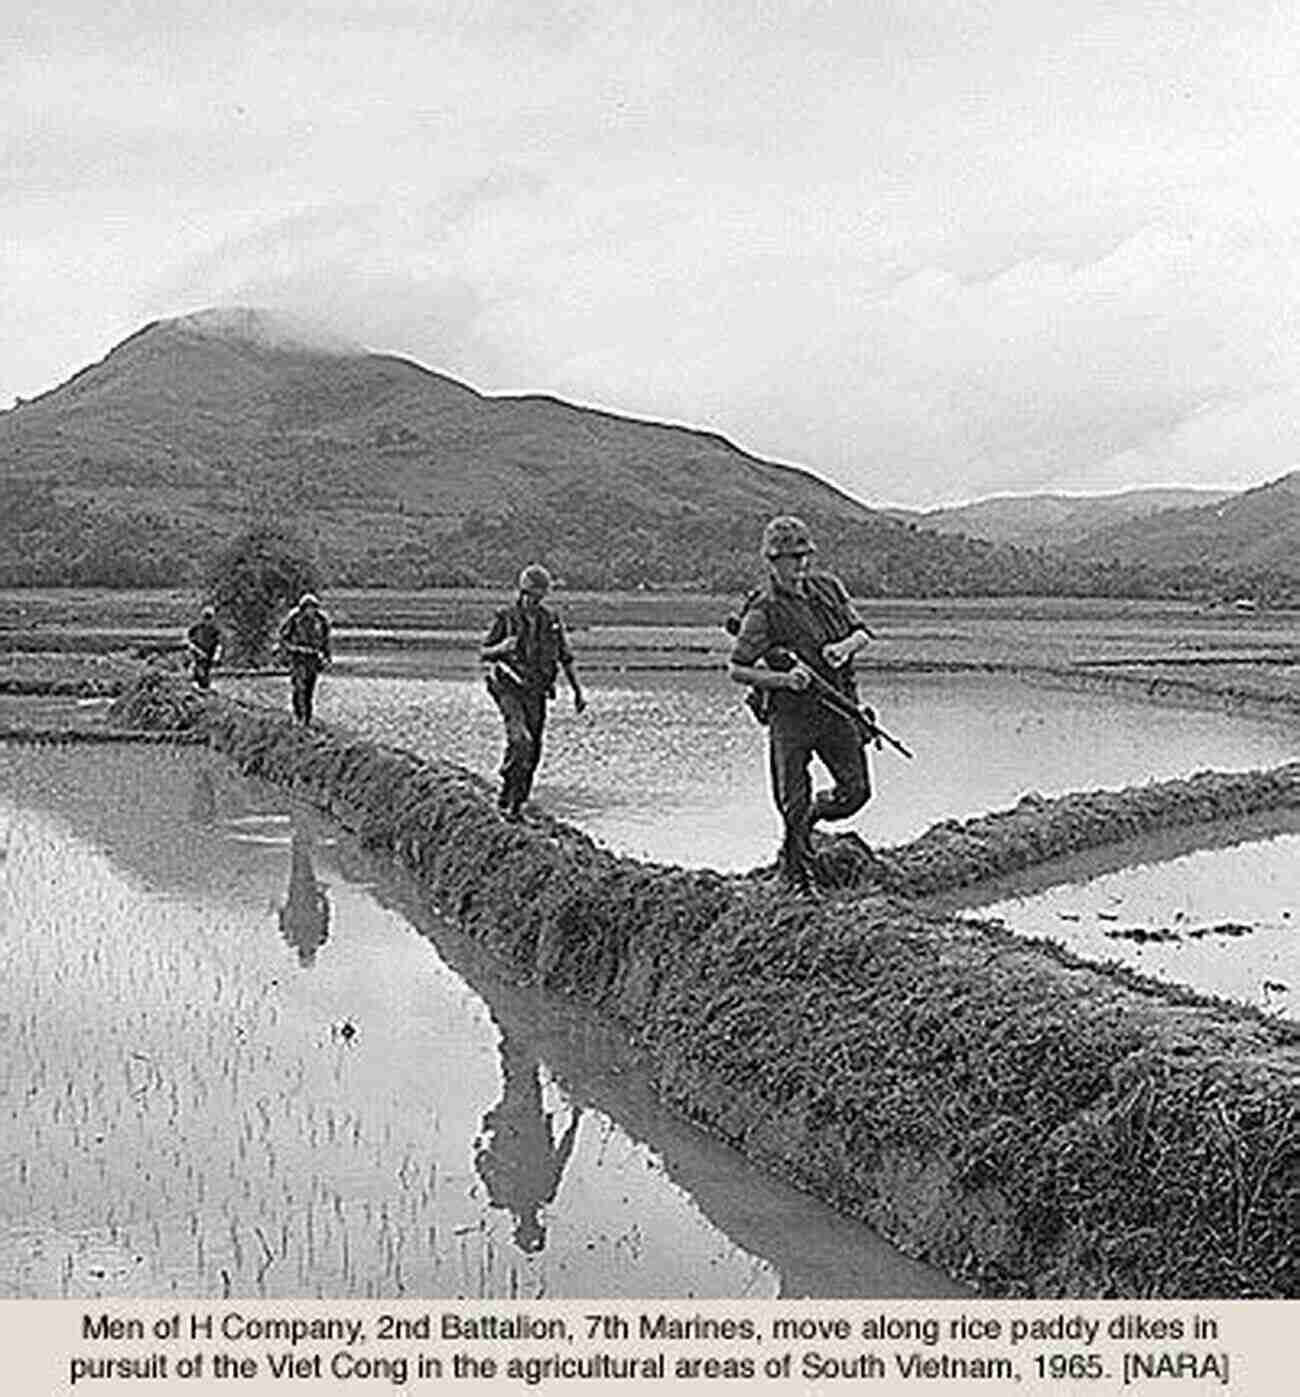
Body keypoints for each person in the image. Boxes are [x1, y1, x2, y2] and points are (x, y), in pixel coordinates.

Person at [728, 516, 874, 894]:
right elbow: (739, 669)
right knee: (791, 798)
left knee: (855, 792)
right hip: (790, 716)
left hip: (835, 706)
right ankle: (796, 874)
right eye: (792, 558)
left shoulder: (828, 589)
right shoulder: (763, 608)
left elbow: (862, 632)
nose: (801, 564)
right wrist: (784, 681)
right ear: (772, 561)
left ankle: (808, 825)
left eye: (804, 555)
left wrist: (842, 648)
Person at [480, 564, 586, 821]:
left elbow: (565, 657)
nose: (531, 601)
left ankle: (516, 804)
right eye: (528, 595)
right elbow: (484, 652)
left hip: (536, 690)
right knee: (520, 739)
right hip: (508, 687)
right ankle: (506, 793)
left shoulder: (550, 620)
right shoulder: (505, 617)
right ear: (520, 592)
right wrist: (502, 647)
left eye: (537, 597)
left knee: (534, 750)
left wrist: (577, 692)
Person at [277, 592, 332, 724]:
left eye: (313, 608)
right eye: (308, 608)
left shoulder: (321, 621)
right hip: (298, 658)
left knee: (309, 688)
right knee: (298, 686)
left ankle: (307, 718)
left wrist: (327, 656)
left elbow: (326, 641)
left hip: (313, 658)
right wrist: (291, 650)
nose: (310, 611)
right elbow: (283, 638)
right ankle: (298, 715)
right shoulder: (294, 619)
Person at [185, 605, 222, 690]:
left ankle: (208, 684)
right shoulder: (195, 629)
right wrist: (196, 650)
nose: (207, 620)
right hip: (196, 654)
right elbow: (189, 642)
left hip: (209, 655)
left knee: (209, 669)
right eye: (206, 616)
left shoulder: (215, 630)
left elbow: (218, 643)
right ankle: (194, 684)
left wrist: (216, 655)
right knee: (194, 667)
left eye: (209, 617)